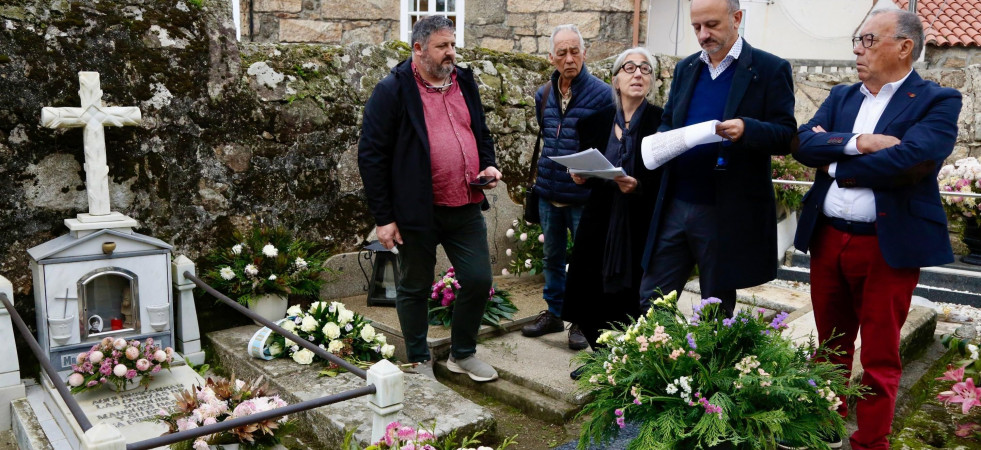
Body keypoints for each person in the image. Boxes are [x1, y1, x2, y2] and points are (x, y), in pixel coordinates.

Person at [791, 9, 960, 449]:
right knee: (830, 343)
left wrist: (836, 164)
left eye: (867, 40)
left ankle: (871, 440)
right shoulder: (843, 96)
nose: (856, 50)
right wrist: (858, 143)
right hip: (828, 237)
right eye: (857, 40)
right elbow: (803, 141)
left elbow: (913, 160)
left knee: (881, 352)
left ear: (904, 46)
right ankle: (825, 423)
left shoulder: (937, 101)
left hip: (887, 245)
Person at [357, 15, 500, 382]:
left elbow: (480, 131)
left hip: (466, 202)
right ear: (418, 49)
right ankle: (420, 359)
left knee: (479, 279)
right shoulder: (392, 90)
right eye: (442, 46)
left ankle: (462, 354)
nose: (451, 53)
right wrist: (384, 218)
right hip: (417, 211)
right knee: (415, 286)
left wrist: (489, 164)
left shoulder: (464, 81)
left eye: (452, 45)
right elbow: (371, 155)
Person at [638, 0, 796, 318]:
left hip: (725, 208)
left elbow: (786, 134)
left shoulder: (769, 69)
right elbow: (670, 121)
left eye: (711, 25)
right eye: (696, 27)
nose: (703, 34)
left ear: (736, 18)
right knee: (652, 300)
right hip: (676, 202)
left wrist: (747, 128)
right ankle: (660, 363)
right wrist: (663, 140)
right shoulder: (686, 69)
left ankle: (708, 366)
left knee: (715, 308)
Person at [562, 47, 663, 379]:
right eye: (629, 67)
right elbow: (588, 171)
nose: (637, 74)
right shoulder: (595, 121)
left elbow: (666, 178)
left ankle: (631, 361)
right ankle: (600, 357)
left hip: (640, 220)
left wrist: (639, 187)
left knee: (635, 293)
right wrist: (580, 175)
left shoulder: (661, 122)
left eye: (645, 69)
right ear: (616, 78)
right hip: (600, 216)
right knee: (587, 287)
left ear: (651, 81)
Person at [522, 24, 614, 350]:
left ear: (584, 53)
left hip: (584, 196)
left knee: (586, 261)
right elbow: (548, 136)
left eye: (575, 50)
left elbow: (610, 147)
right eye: (562, 52)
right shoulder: (542, 95)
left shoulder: (603, 95)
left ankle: (581, 320)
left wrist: (590, 173)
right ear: (551, 57)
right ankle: (554, 312)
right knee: (551, 256)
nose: (569, 58)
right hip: (549, 190)